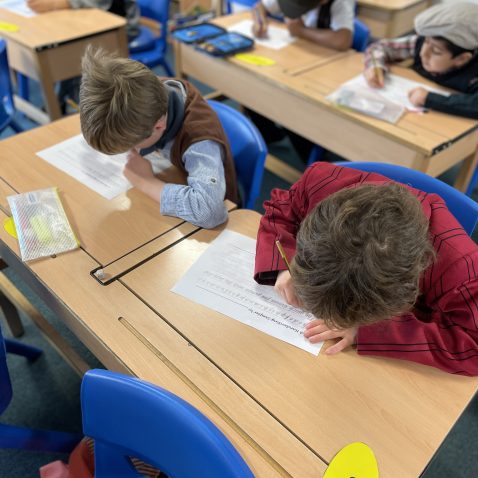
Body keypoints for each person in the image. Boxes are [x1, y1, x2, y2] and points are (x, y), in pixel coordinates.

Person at [254, 162, 478, 376]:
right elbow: (281, 210)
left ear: (406, 288)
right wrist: (285, 268)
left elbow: (474, 348)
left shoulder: (464, 268)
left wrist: (367, 331)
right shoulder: (319, 182)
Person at [79, 47, 239, 228]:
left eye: (132, 145)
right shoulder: (148, 91)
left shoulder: (199, 140)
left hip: (223, 219)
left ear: (158, 126)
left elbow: (210, 212)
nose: (130, 150)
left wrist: (145, 181)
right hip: (175, 176)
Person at [249, 0, 355, 162]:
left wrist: (301, 31)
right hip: (295, 59)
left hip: (324, 70)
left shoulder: (340, 3)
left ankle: (315, 157)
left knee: (289, 105)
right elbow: (259, 7)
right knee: (255, 84)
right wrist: (260, 21)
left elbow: (342, 40)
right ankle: (269, 134)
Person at [363, 1, 478, 119]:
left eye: (436, 51)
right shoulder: (423, 41)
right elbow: (380, 47)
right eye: (426, 42)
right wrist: (375, 66)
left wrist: (429, 99)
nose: (424, 53)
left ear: (462, 59)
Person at [27, 0, 140, 39]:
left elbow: (100, 3)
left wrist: (57, 3)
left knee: (70, 49)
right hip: (86, 23)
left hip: (122, 28)